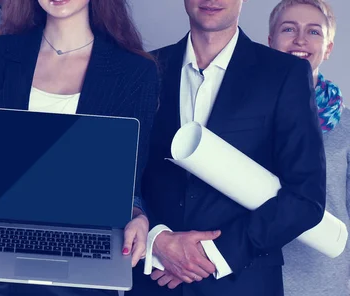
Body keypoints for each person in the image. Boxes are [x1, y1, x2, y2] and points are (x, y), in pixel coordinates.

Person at [0, 0, 159, 295]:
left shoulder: (135, 72)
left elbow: (131, 181)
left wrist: (139, 217)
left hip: (87, 244)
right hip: (0, 248)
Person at [128, 0, 326, 295]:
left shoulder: (285, 74)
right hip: (154, 278)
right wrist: (156, 238)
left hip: (244, 281)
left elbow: (306, 197)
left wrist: (212, 254)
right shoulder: (144, 69)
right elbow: (122, 175)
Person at [268, 1, 349, 295]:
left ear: (327, 48)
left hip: (323, 280)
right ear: (270, 41)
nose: (300, 40)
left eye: (314, 32)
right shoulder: (239, 114)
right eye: (288, 29)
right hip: (247, 272)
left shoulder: (349, 126)